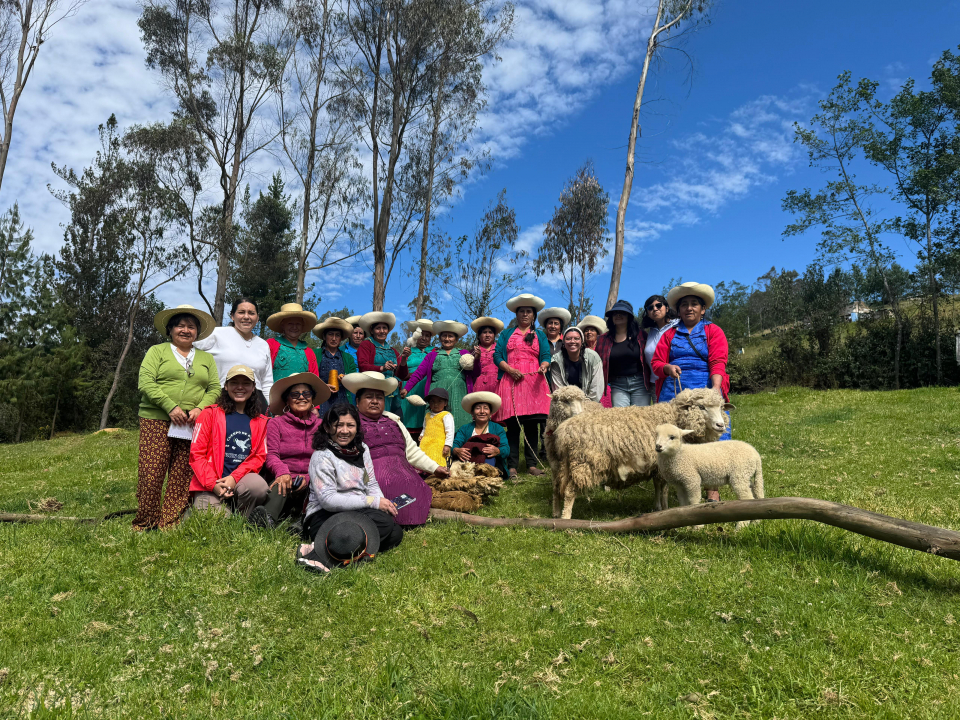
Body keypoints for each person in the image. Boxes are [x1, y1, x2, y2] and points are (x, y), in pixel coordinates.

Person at [134, 304, 220, 531]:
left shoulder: (206, 358)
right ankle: (146, 521)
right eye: (180, 325)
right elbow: (145, 382)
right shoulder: (157, 351)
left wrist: (200, 408)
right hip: (156, 419)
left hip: (191, 424)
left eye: (191, 327)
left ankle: (169, 521)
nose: (185, 330)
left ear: (197, 332)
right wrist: (169, 406)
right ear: (170, 329)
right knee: (152, 471)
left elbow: (214, 389)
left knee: (182, 473)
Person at [295, 404, 403, 574]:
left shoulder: (362, 449)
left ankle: (335, 550)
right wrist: (373, 503)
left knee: (395, 532)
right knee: (383, 526)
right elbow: (328, 500)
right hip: (324, 514)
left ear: (357, 427)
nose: (344, 431)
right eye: (338, 425)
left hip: (357, 510)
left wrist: (383, 506)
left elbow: (371, 483)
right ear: (327, 427)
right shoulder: (322, 456)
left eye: (350, 425)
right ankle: (317, 554)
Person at [652, 282, 731, 502]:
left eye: (694, 304)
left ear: (702, 309)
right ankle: (681, 485)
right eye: (684, 304)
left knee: (711, 438)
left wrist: (715, 390)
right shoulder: (669, 335)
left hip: (704, 385)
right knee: (676, 436)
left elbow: (718, 361)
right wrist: (667, 368)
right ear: (678, 310)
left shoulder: (713, 331)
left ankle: (712, 491)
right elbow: (657, 362)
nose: (689, 308)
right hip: (674, 389)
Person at [342, 371, 450, 526]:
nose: (374, 401)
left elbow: (412, 452)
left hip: (405, 474)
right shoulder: (350, 424)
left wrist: (435, 468)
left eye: (379, 397)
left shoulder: (394, 421)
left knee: (417, 488)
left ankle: (405, 517)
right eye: (369, 397)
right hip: (371, 479)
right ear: (357, 402)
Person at [188, 365, 270, 518]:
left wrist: (234, 478)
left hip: (241, 482)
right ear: (226, 386)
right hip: (210, 484)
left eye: (246, 383)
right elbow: (196, 455)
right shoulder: (208, 414)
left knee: (259, 487)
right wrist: (214, 485)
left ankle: (244, 515)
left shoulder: (261, 421)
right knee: (217, 523)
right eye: (234, 383)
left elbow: (259, 457)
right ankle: (213, 508)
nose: (240, 387)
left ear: (253, 388)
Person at [257, 372, 332, 528]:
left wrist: (307, 477)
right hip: (284, 478)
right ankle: (266, 520)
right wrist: (283, 473)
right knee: (280, 485)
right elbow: (272, 455)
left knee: (321, 485)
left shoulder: (321, 426)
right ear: (287, 400)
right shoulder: (275, 423)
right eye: (295, 394)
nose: (301, 397)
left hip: (311, 480)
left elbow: (326, 459)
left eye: (306, 393)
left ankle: (303, 523)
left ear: (312, 399)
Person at [493, 294, 552, 479]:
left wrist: (544, 365)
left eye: (529, 312)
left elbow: (546, 355)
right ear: (516, 314)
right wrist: (509, 369)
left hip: (533, 382)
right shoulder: (506, 334)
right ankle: (512, 467)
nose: (525, 314)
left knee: (532, 425)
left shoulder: (540, 335)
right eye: (522, 311)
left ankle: (532, 465)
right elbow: (497, 356)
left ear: (534, 315)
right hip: (511, 382)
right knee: (513, 426)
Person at [193, 297, 274, 404]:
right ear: (232, 316)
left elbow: (267, 382)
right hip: (223, 397)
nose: (246, 317)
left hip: (257, 402)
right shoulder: (217, 334)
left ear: (257, 318)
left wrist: (272, 407)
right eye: (241, 312)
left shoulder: (263, 345)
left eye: (251, 313)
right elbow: (189, 349)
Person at [400, 320, 477, 427]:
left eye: (450, 336)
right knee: (437, 424)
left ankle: (459, 443)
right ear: (440, 338)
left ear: (456, 339)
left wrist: (477, 359)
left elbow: (475, 372)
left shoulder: (464, 353)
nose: (447, 339)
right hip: (437, 394)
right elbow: (418, 373)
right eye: (444, 336)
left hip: (459, 393)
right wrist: (406, 388)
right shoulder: (432, 355)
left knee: (460, 422)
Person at [594, 299, 651, 407]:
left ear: (629, 316)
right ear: (611, 317)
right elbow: (596, 363)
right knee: (620, 420)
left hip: (640, 382)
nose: (618, 315)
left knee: (640, 418)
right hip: (617, 384)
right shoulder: (602, 339)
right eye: (615, 313)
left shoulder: (641, 335)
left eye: (622, 313)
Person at [356, 312, 410, 415]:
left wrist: (403, 359)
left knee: (396, 423)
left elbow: (402, 375)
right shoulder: (366, 345)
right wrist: (382, 368)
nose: (382, 331)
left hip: (394, 394)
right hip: (374, 393)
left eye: (384, 328)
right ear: (371, 330)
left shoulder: (393, 351)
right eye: (378, 328)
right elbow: (363, 366)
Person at [452, 392, 510, 477]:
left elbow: (506, 449)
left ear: (490, 413)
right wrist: (456, 450)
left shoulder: (498, 428)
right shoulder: (464, 429)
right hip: (468, 463)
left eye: (486, 408)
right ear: (472, 413)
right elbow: (454, 445)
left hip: (491, 464)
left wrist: (497, 451)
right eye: (478, 408)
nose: (482, 412)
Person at [312, 317, 358, 416]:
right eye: (330, 334)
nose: (334, 338)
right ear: (324, 336)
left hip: (342, 399)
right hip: (321, 400)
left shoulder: (348, 358)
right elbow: (310, 378)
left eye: (337, 335)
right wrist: (322, 387)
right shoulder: (314, 354)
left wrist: (346, 380)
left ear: (341, 338)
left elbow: (354, 380)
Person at [265, 303, 320, 381]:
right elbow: (262, 371)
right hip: (273, 392)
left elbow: (314, 379)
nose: (294, 327)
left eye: (298, 324)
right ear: (283, 325)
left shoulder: (309, 352)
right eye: (290, 323)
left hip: (301, 393)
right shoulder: (271, 345)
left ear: (302, 326)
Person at [399, 318, 434, 437]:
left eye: (427, 335)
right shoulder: (408, 351)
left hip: (427, 387)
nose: (424, 338)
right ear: (415, 336)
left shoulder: (435, 352)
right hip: (408, 388)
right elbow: (400, 372)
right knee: (407, 415)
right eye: (421, 335)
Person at [550, 326, 605, 402]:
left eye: (576, 338)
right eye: (568, 339)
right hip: (566, 402)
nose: (572, 341)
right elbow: (559, 389)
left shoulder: (593, 357)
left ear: (582, 341)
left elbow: (597, 386)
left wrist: (588, 404)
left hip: (589, 402)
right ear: (563, 342)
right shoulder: (556, 360)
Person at [641, 293, 679, 387]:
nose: (655, 309)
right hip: (656, 383)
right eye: (650, 308)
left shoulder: (678, 326)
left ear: (667, 308)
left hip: (677, 380)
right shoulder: (650, 332)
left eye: (658, 305)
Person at [578, 314, 613, 408]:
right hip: (585, 386)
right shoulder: (581, 350)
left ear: (598, 334)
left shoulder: (604, 348)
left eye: (592, 330)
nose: (589, 332)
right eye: (586, 331)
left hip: (605, 385)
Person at [418, 388, 454, 466]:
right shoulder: (427, 415)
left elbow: (450, 432)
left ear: (445, 403)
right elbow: (425, 428)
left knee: (437, 462)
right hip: (426, 444)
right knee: (424, 462)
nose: (436, 404)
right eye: (432, 401)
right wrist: (421, 435)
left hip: (439, 446)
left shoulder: (446, 415)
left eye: (439, 401)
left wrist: (447, 445)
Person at [469, 316, 504, 394]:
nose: (487, 335)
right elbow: (470, 373)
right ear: (479, 335)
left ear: (494, 335)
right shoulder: (472, 352)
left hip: (498, 385)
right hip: (478, 386)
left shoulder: (501, 350)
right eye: (484, 332)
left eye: (490, 332)